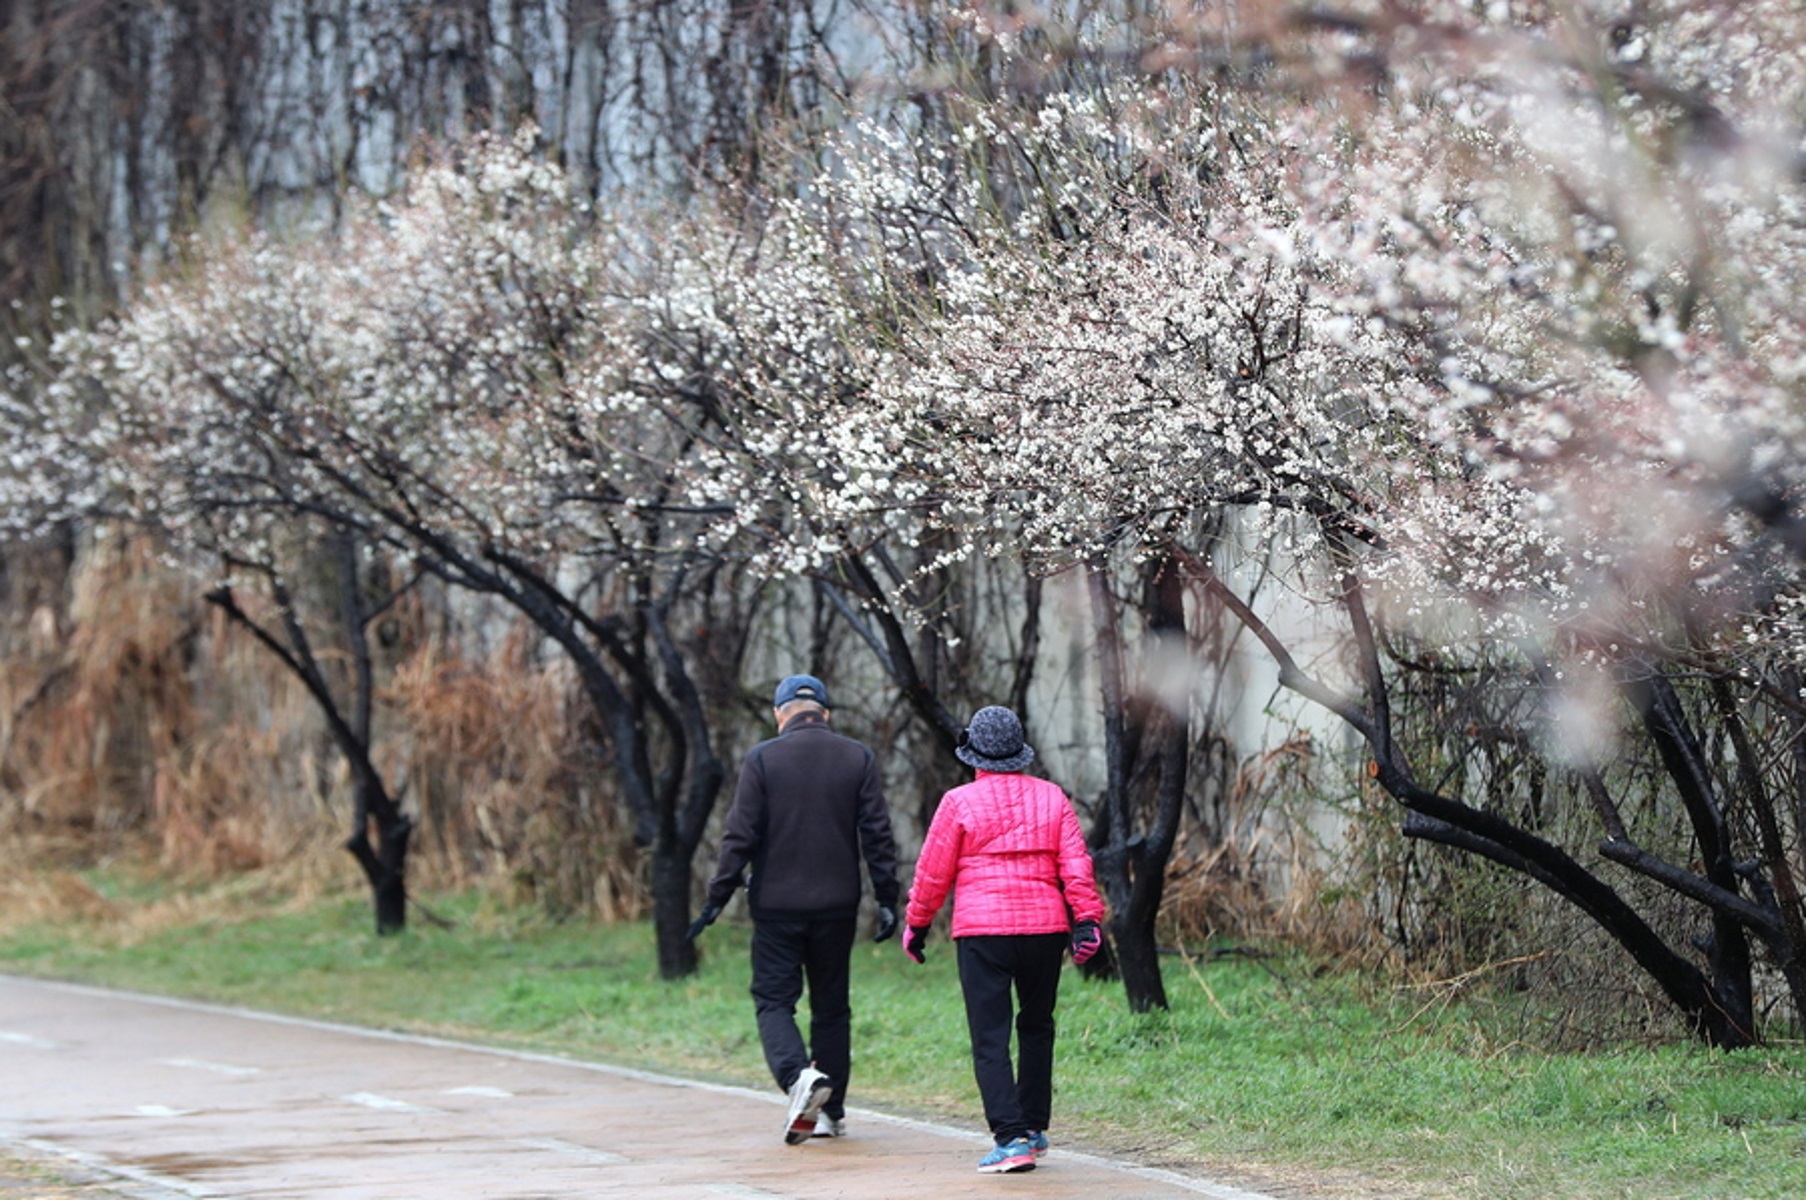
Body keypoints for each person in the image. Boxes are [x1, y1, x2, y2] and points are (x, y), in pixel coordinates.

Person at [688, 673, 901, 1145]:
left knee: (774, 999)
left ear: (780, 713)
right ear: (824, 712)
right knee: (831, 1009)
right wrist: (888, 899)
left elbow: (739, 837)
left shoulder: (763, 759)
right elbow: (878, 835)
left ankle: (797, 1077)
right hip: (837, 907)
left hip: (777, 908)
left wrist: (716, 898)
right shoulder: (857, 757)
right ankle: (831, 1112)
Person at [901, 704, 1106, 1174]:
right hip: (1044, 930)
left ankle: (1010, 1140)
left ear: (974, 756)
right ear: (1020, 753)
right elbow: (1076, 865)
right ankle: (1032, 1128)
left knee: (990, 1038)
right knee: (1037, 1026)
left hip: (983, 933)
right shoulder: (1053, 798)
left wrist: (917, 923)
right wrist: (1087, 921)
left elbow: (933, 872)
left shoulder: (958, 803)